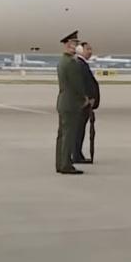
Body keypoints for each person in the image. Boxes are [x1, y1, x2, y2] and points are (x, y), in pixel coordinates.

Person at [55, 30, 89, 175]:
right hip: (71, 103)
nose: (76, 46)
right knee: (69, 135)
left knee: (62, 135)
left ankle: (60, 163)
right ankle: (66, 165)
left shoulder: (62, 61)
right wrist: (84, 98)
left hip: (63, 101)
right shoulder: (71, 63)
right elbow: (77, 84)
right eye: (74, 43)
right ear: (68, 44)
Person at [72, 41, 100, 165]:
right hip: (83, 103)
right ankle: (76, 155)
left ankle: (78, 154)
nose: (90, 52)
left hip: (85, 103)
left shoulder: (82, 64)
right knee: (78, 130)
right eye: (87, 49)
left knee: (80, 130)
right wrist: (87, 98)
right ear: (80, 50)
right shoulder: (80, 64)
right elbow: (81, 84)